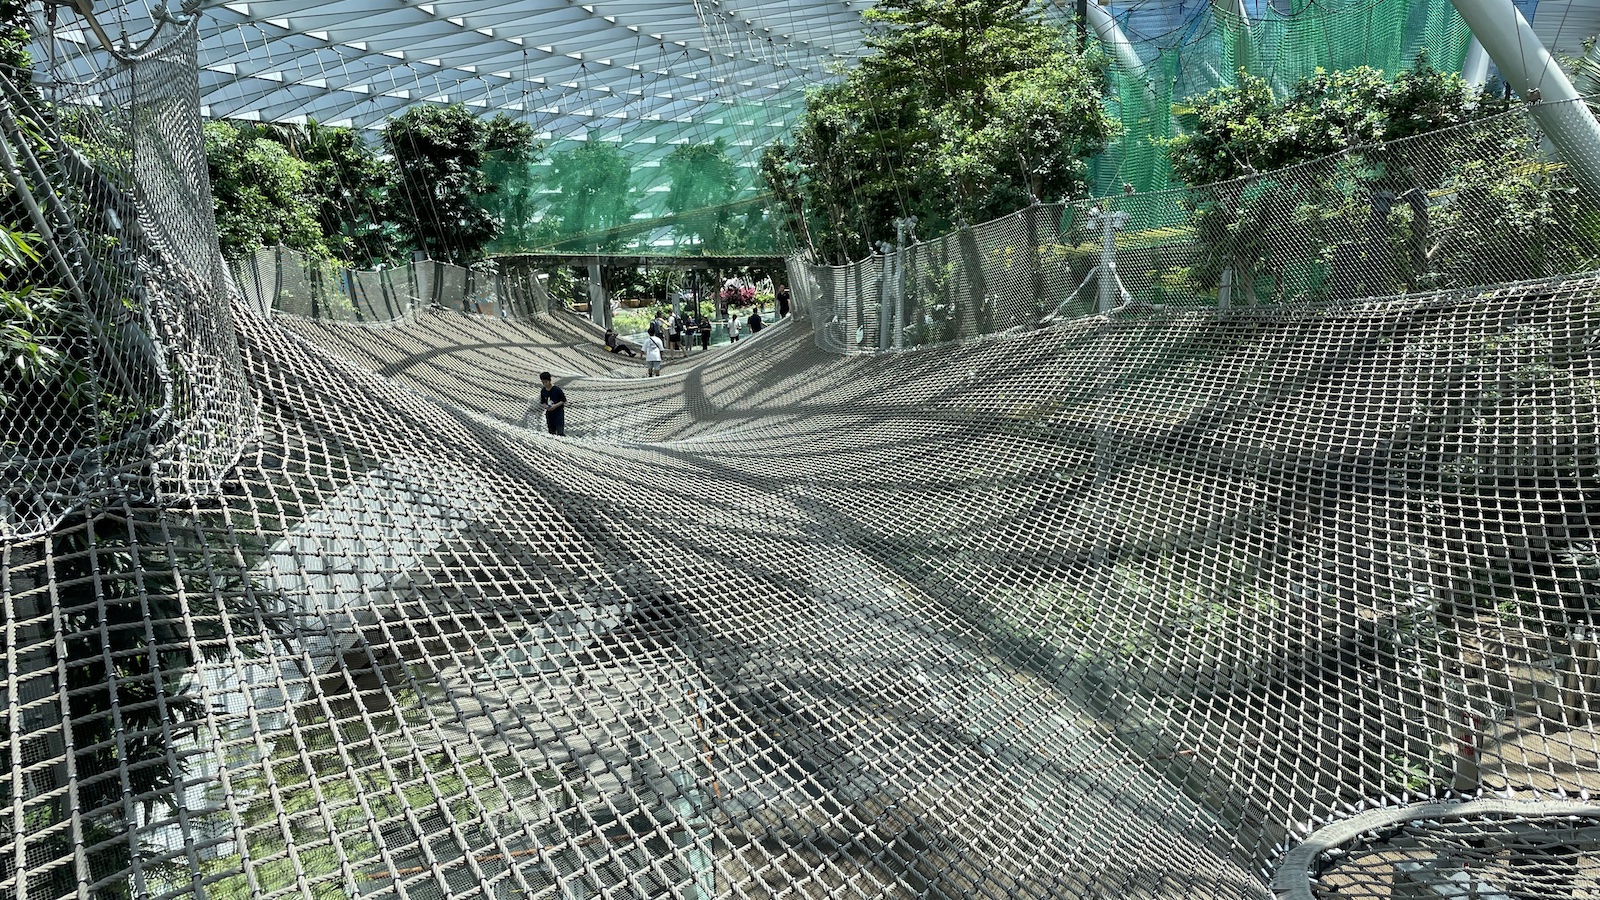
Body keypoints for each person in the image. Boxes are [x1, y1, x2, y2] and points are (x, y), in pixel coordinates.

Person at [538, 372, 567, 436]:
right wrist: (546, 407)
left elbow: (563, 400)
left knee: (560, 432)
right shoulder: (543, 391)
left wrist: (555, 406)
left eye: (546, 382)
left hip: (558, 414)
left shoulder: (557, 389)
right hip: (549, 414)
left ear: (549, 380)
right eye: (543, 382)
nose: (544, 384)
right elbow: (542, 402)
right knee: (551, 432)